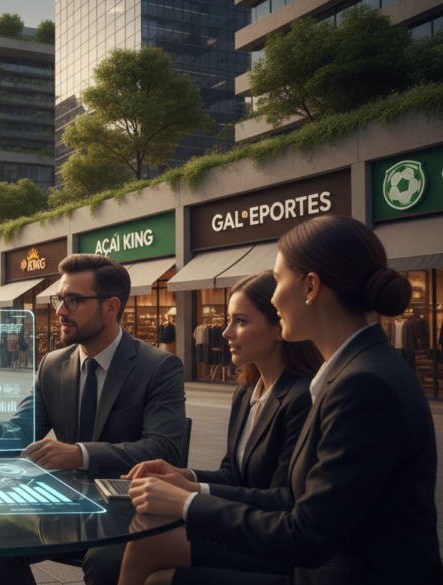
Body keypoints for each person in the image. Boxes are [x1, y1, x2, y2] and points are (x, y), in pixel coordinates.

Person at [127, 216, 443, 585]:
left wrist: (186, 504)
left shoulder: (363, 384)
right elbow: (293, 500)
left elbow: (307, 534)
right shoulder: (356, 371)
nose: (273, 296)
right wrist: (191, 490)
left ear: (311, 287)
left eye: (277, 280)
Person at [0, 254, 187, 585]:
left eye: (73, 300)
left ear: (111, 306)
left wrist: (80, 453)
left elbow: (165, 449)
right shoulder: (52, 364)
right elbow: (23, 431)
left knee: (104, 561)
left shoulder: (158, 367)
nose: (61, 310)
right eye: (59, 299)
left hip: (131, 509)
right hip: (65, 505)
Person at [117, 270, 322, 585]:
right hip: (241, 525)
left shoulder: (301, 399)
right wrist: (186, 476)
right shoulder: (246, 391)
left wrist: (190, 494)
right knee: (145, 534)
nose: (226, 332)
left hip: (274, 546)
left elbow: (285, 499)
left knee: (150, 549)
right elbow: (232, 474)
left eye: (240, 321)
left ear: (278, 327)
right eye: (229, 320)